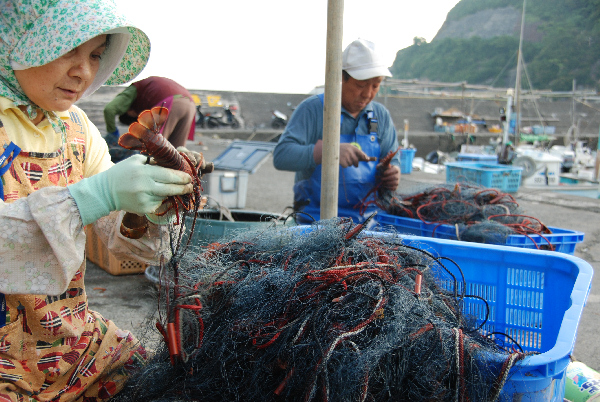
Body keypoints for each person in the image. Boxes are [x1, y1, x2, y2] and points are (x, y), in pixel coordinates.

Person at [0, 1, 196, 400]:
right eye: (67, 49)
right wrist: (94, 195)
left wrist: (150, 211)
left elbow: (113, 236)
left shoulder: (76, 127)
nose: (83, 72)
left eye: (94, 55)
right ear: (15, 38)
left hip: (71, 339)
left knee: (160, 377)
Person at [273, 38, 401, 223]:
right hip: (315, 222)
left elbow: (392, 158)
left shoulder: (380, 116)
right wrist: (329, 151)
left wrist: (392, 172)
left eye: (376, 85)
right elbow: (282, 156)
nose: (367, 94)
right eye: (361, 85)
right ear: (341, 77)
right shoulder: (314, 109)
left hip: (369, 223)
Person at [103, 76, 196, 151]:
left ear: (129, 111)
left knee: (153, 147)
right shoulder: (147, 94)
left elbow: (109, 109)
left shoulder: (134, 90)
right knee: (176, 152)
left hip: (171, 103)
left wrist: (112, 133)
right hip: (190, 104)